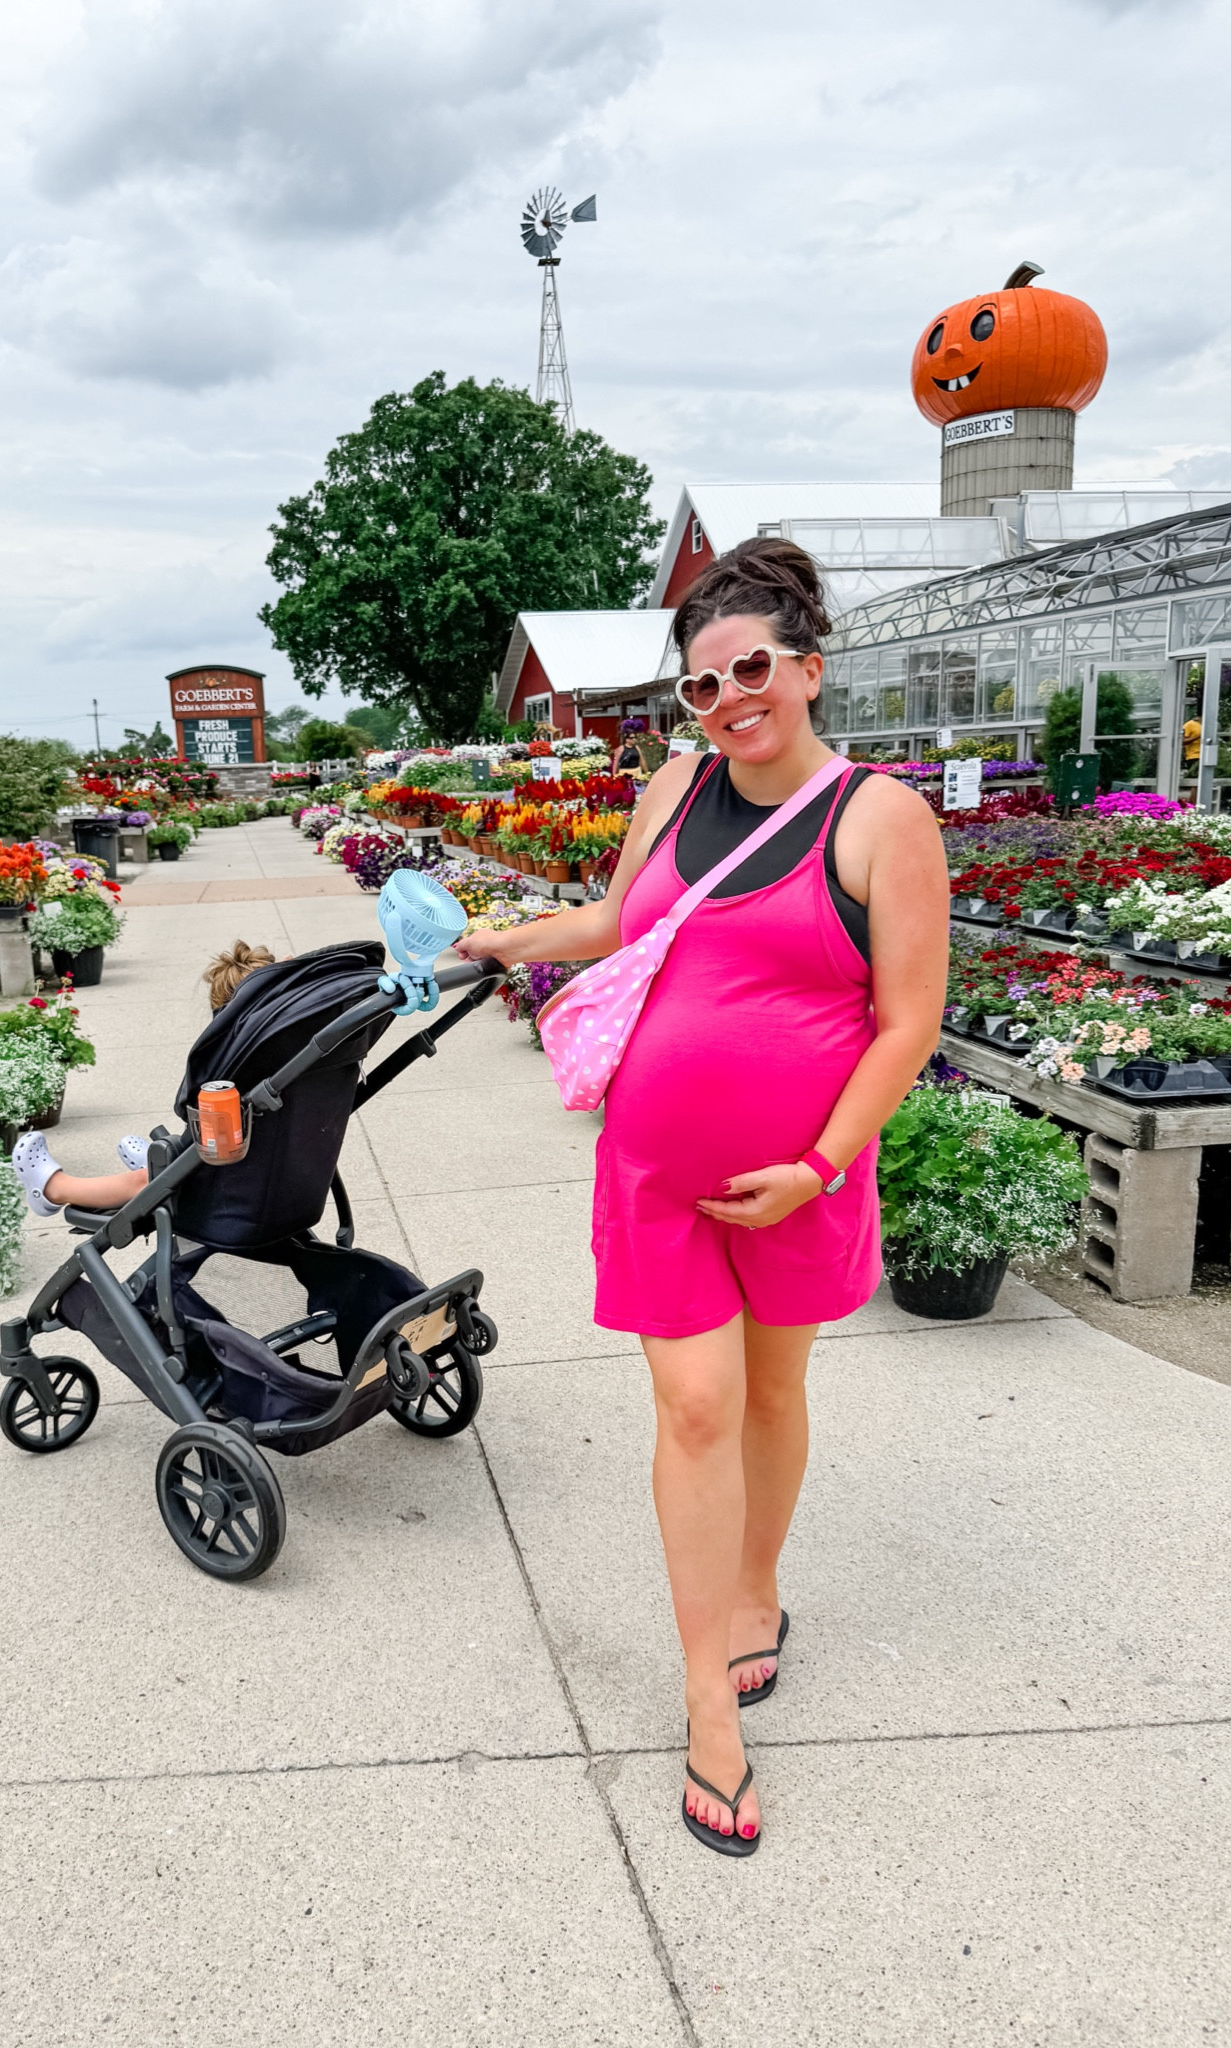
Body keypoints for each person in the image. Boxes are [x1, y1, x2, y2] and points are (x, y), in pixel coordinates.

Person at [456, 538, 948, 1856]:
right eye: (702, 683)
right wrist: (497, 936)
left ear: (807, 668)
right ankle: (705, 1708)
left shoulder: (881, 817)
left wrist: (823, 1165)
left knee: (775, 1393)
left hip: (800, 1177)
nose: (729, 699)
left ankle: (757, 1590)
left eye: (752, 670)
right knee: (695, 1401)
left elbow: (909, 1021)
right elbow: (621, 926)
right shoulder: (677, 785)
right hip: (659, 1172)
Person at [11, 941, 277, 1214]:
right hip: (283, 1184)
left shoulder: (229, 1067)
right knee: (173, 1159)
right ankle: (160, 1162)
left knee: (143, 1182)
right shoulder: (293, 1063)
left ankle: (53, 1189)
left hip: (227, 1192)